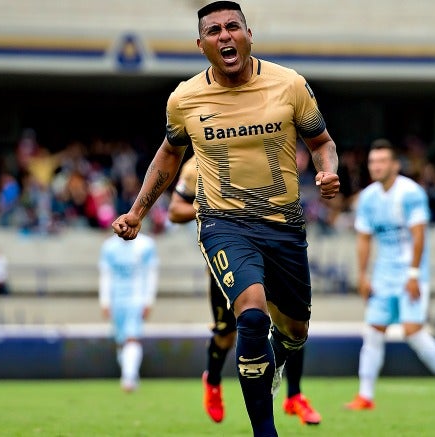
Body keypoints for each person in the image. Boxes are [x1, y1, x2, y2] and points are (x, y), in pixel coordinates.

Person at [112, 2, 340, 434]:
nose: (224, 35)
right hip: (224, 224)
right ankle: (263, 429)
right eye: (214, 30)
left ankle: (270, 365)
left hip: (284, 225)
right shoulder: (184, 98)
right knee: (251, 317)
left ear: (249, 34)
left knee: (295, 331)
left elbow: (322, 141)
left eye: (232, 26)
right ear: (201, 45)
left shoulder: (289, 85)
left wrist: (329, 170)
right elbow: (168, 154)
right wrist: (138, 211)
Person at [168, 156, 321, 426]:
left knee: (290, 322)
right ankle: (213, 381)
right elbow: (174, 211)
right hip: (228, 261)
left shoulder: (259, 147)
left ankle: (294, 395)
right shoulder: (196, 166)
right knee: (227, 335)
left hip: (270, 250)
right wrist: (214, 205)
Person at [345, 139, 435, 412]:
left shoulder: (411, 193)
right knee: (374, 331)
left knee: (412, 330)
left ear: (395, 165)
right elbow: (364, 239)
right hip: (383, 273)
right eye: (373, 162)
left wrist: (413, 274)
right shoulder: (368, 198)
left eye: (382, 161)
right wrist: (362, 275)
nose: (376, 166)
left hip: (411, 272)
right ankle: (365, 395)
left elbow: (418, 234)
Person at [98, 230, 159, 392]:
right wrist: (105, 301)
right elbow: (106, 275)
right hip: (117, 299)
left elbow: (151, 274)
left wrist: (148, 300)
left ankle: (128, 378)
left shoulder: (146, 245)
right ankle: (130, 375)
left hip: (136, 298)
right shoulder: (109, 247)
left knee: (132, 337)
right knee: (121, 340)